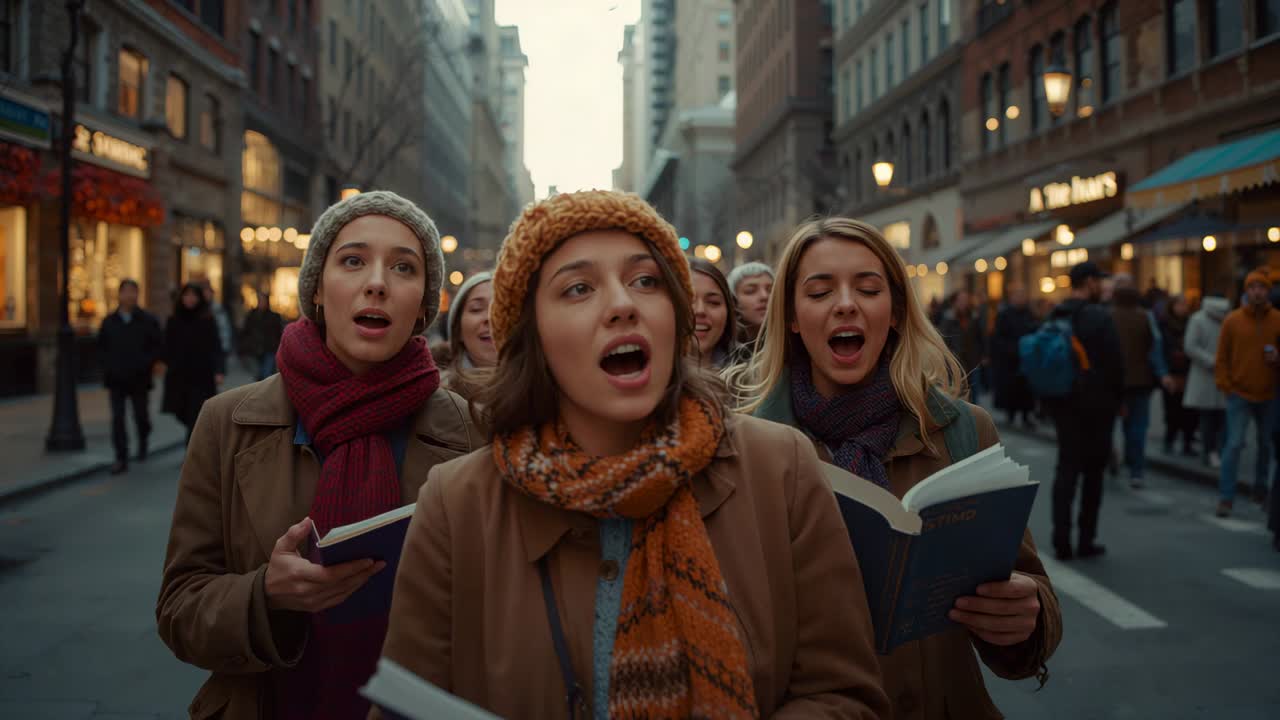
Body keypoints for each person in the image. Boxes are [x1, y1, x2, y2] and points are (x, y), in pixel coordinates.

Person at [377, 190, 891, 718]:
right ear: (534, 337)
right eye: (578, 288)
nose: (623, 304)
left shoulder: (781, 466)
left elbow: (846, 695)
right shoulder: (456, 504)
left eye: (646, 281)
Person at [156, 191, 481, 719]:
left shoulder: (471, 429)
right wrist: (268, 595)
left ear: (424, 304)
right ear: (317, 290)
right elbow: (179, 610)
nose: (376, 281)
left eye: (404, 267)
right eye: (353, 261)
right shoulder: (226, 422)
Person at [737, 217, 1061, 718]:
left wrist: (1026, 619)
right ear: (793, 318)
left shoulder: (963, 431)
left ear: (893, 312)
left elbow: (1025, 588)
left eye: (868, 288)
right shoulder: (746, 451)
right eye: (820, 292)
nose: (846, 303)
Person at [1045, 262, 1125, 560]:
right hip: (1096, 406)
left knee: (1066, 470)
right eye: (1099, 282)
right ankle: (1086, 538)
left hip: (1063, 403)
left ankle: (1061, 540)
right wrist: (1119, 401)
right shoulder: (1098, 316)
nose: (1102, 287)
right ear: (1089, 282)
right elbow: (1115, 363)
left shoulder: (1056, 313)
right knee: (1093, 473)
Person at [1213, 268, 1280, 517]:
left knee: (1266, 446)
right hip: (1239, 393)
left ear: (1268, 291)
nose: (1257, 292)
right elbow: (1221, 357)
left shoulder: (1277, 320)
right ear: (1246, 291)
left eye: (1261, 287)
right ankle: (1226, 497)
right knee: (1234, 445)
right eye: (1252, 288)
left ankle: (1261, 491)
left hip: (1269, 393)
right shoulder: (1233, 320)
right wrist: (1225, 385)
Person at [1110, 274, 1173, 489]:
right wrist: (1163, 373)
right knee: (1137, 427)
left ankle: (1116, 457)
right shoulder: (1145, 317)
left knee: (1113, 424)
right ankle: (1136, 470)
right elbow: (1155, 348)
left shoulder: (1108, 316)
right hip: (1140, 380)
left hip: (1115, 382)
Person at [98, 278, 163, 474]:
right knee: (118, 418)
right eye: (125, 291)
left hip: (139, 378)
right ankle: (121, 457)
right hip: (116, 378)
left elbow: (157, 346)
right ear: (119, 295)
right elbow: (102, 348)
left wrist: (146, 363)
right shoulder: (109, 322)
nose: (129, 296)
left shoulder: (147, 320)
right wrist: (108, 367)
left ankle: (143, 440)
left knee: (140, 416)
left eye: (133, 291)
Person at [161, 283, 225, 445]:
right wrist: (166, 363)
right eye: (186, 295)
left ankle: (191, 452)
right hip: (179, 375)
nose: (190, 299)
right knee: (180, 410)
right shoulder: (173, 320)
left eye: (193, 295)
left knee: (196, 412)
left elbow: (216, 346)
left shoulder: (207, 320)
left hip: (202, 375)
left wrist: (219, 370)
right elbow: (166, 346)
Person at [1184, 294, 1230, 468]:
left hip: (1214, 374)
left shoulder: (1199, 318)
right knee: (1211, 418)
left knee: (1215, 418)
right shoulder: (1202, 320)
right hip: (1210, 374)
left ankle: (1213, 451)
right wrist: (1214, 362)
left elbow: (1190, 346)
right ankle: (1211, 451)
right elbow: (1190, 346)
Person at [440, 271, 496, 399]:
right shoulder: (435, 397)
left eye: (499, 308)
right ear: (458, 330)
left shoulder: (544, 391)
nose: (490, 317)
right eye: (476, 308)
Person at [991, 286, 1038, 428]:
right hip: (1010, 359)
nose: (1021, 299)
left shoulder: (1029, 313)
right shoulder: (1004, 315)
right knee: (1011, 389)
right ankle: (1010, 415)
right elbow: (998, 337)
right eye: (1018, 296)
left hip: (1026, 358)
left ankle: (1026, 415)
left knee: (1026, 390)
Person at [1160, 294, 1197, 455]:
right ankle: (1169, 441)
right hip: (1172, 372)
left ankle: (1187, 443)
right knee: (1172, 411)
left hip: (1189, 373)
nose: (1182, 307)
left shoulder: (1192, 323)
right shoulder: (1164, 324)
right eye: (1179, 304)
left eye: (1184, 304)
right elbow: (1160, 348)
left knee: (1190, 413)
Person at [938, 289, 988, 403]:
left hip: (973, 360)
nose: (963, 302)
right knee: (958, 393)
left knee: (974, 392)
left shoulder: (974, 317)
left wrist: (985, 354)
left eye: (965, 299)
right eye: (961, 300)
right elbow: (943, 339)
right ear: (955, 302)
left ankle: (975, 417)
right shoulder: (948, 318)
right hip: (955, 361)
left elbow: (981, 337)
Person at [690, 258, 740, 368]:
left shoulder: (754, 379)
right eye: (688, 301)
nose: (700, 310)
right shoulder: (648, 381)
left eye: (713, 302)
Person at [727, 260, 774, 349]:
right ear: (733, 301)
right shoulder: (723, 353)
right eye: (750, 291)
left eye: (770, 290)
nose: (764, 296)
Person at [241, 291, 286, 381]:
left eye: (263, 300)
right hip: (255, 349)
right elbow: (245, 332)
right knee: (259, 375)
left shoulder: (274, 316)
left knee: (266, 374)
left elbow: (279, 333)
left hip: (269, 349)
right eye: (260, 300)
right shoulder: (252, 315)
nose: (261, 302)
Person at [201, 279, 235, 360]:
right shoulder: (198, 309)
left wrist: (225, 346)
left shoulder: (218, 308)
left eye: (208, 292)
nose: (206, 295)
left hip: (217, 347)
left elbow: (224, 328)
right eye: (204, 292)